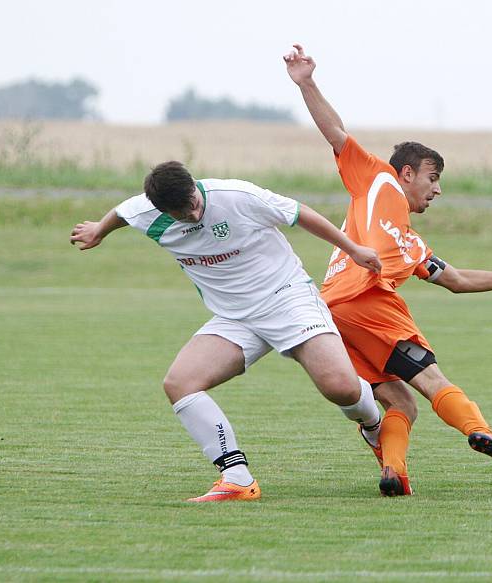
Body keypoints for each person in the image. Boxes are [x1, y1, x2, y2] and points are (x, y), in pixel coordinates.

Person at [285, 44, 492, 496]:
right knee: (433, 382)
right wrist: (307, 83)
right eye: (433, 179)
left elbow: (456, 280)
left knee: (400, 401)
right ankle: (482, 431)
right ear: (408, 172)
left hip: (331, 313)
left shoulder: (411, 242)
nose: (436, 190)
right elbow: (335, 133)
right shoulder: (376, 178)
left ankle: (395, 472)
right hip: (368, 300)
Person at [70, 161, 384, 502]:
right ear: (160, 210)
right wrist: (98, 231)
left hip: (286, 298)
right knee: (179, 383)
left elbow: (298, 213)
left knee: (340, 388)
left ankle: (374, 428)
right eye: (181, 212)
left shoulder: (236, 196)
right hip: (234, 318)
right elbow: (121, 213)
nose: (192, 214)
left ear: (194, 186)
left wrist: (353, 249)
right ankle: (237, 479)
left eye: (193, 202)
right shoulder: (145, 212)